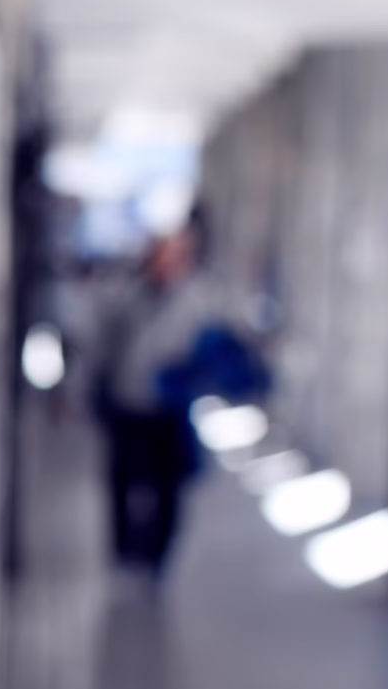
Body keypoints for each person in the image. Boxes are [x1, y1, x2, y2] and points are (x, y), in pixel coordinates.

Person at [91, 213, 262, 579]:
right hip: (129, 402)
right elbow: (103, 345)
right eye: (159, 253)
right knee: (124, 481)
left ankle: (156, 559)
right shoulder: (125, 295)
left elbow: (222, 345)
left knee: (167, 486)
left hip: (169, 409)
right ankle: (125, 553)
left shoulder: (201, 298)